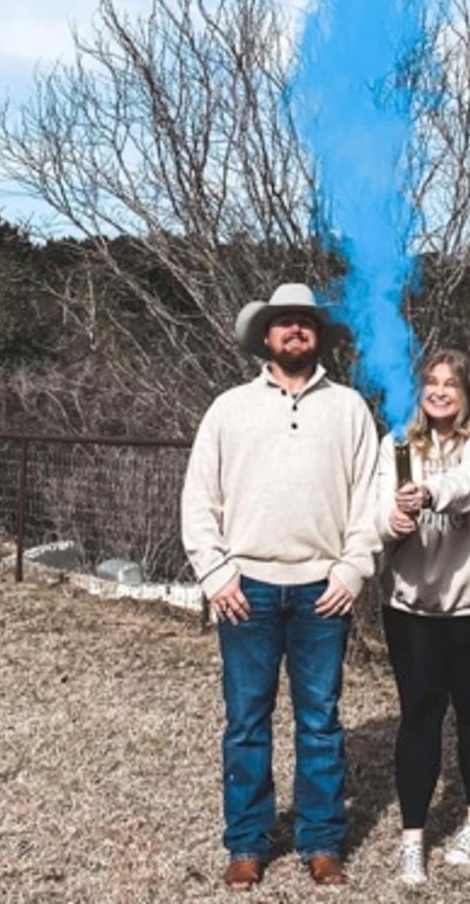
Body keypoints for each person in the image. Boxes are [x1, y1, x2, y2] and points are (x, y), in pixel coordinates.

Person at [181, 283, 381, 891]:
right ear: (264, 336)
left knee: (320, 720)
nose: (295, 331)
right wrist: (217, 574)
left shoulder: (348, 408)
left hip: (323, 590)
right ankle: (247, 843)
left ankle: (321, 842)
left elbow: (370, 498)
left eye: (305, 323)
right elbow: (198, 500)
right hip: (248, 590)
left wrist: (351, 569)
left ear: (318, 336)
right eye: (283, 323)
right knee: (247, 720)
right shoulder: (228, 408)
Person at [376, 348, 470, 886]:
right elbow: (372, 509)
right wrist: (391, 520)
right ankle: (413, 838)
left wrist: (431, 491)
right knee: (418, 714)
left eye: (450, 384)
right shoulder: (396, 445)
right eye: (431, 382)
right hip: (410, 605)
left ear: (467, 391)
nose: (439, 392)